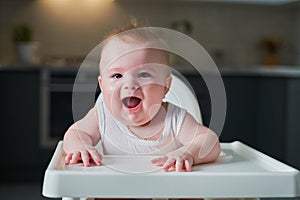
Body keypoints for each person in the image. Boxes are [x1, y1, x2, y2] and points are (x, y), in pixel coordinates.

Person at [63, 23, 220, 172]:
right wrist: (80, 147)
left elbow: (209, 141)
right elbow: (76, 133)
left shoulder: (176, 120)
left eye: (144, 74)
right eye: (117, 75)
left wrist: (189, 153)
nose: (130, 84)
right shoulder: (102, 115)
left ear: (165, 87)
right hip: (117, 189)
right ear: (102, 85)